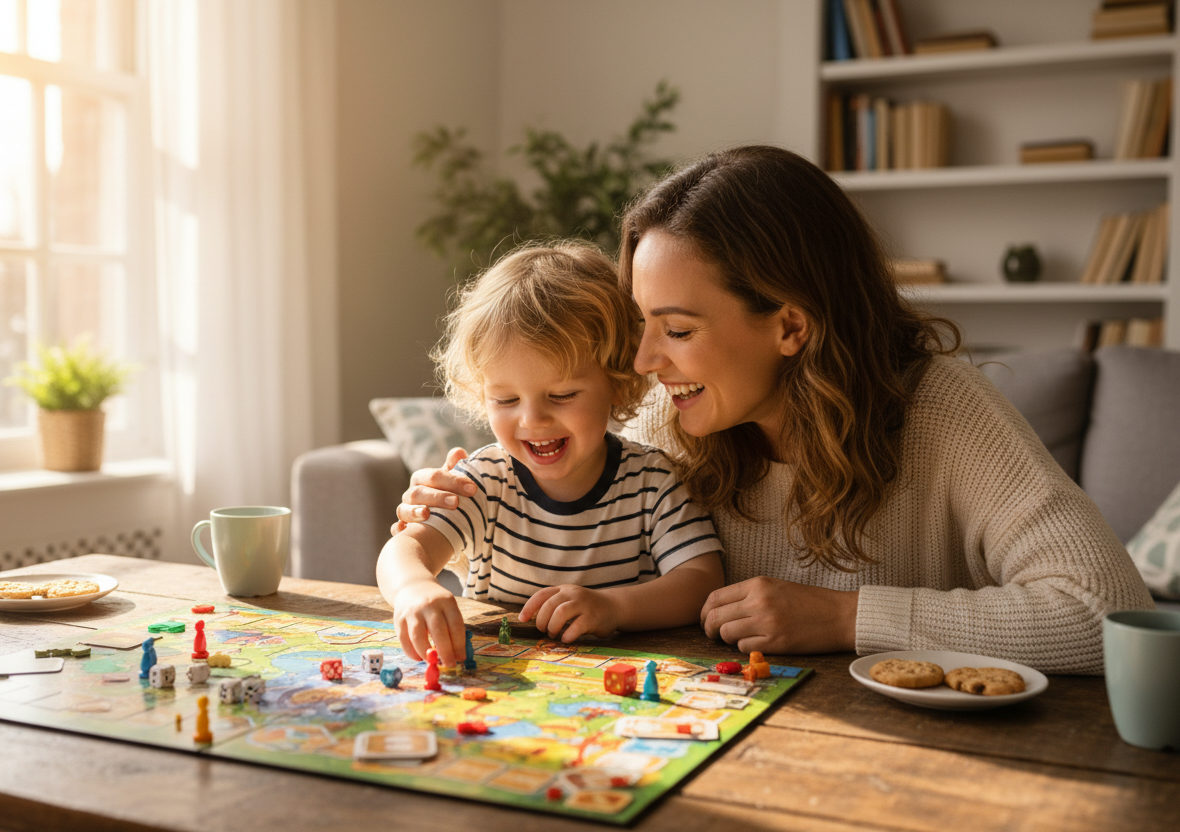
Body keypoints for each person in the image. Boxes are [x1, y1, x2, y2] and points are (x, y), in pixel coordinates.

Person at [394, 145, 1154, 675]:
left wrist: (847, 619)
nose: (642, 362)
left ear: (790, 325)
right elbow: (567, 493)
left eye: (678, 329)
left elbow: (1105, 613)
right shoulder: (672, 421)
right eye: (643, 324)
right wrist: (446, 507)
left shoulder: (942, 409)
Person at [376, 242, 725, 666]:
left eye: (562, 395)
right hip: (498, 687)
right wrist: (414, 588)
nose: (533, 419)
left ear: (616, 382)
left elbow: (701, 580)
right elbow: (403, 550)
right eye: (505, 400)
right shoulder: (483, 481)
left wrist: (614, 607)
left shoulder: (653, 481)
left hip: (618, 689)